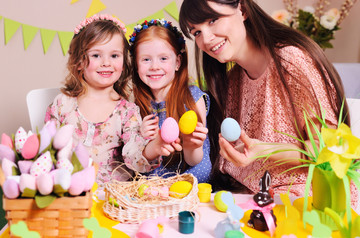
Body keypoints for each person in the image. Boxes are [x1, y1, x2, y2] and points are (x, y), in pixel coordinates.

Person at [179, 0, 351, 196]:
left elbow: (328, 152)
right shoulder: (232, 80)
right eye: (196, 33)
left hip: (301, 200)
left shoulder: (291, 61)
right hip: (248, 196)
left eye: (212, 20)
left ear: (242, 9)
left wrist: (264, 150)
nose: (206, 39)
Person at [45, 14, 153, 187]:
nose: (106, 63)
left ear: (124, 62)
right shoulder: (62, 105)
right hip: (71, 193)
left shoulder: (128, 112)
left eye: (114, 56)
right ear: (79, 61)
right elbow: (48, 151)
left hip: (112, 197)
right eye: (96, 55)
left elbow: (135, 161)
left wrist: (153, 147)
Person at [127, 19, 212, 183]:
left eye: (163, 58)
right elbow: (135, 162)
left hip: (190, 186)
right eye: (146, 60)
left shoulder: (192, 98)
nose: (154, 66)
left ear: (177, 62)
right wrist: (142, 139)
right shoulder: (134, 105)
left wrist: (191, 145)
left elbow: (194, 160)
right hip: (153, 191)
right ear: (136, 66)